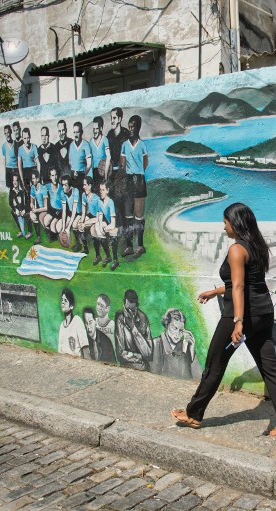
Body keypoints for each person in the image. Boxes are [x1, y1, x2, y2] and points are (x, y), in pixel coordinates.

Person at [171, 203, 276, 440]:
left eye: (225, 222)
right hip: (263, 313)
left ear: (235, 222)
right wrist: (216, 291)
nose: (223, 227)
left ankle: (193, 414)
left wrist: (238, 322)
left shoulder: (236, 249)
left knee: (215, 363)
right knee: (270, 368)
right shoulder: (257, 246)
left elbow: (240, 287)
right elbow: (243, 283)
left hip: (240, 316)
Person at [119, 115, 148, 259]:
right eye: (129, 126)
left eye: (133, 126)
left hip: (139, 181)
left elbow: (145, 162)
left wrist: (138, 173)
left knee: (139, 215)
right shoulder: (124, 144)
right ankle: (129, 245)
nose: (130, 129)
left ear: (138, 128)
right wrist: (128, 174)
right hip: (129, 181)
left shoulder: (142, 145)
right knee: (128, 215)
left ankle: (140, 245)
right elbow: (123, 161)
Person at [151, 308, 201, 380]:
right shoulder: (156, 344)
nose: (177, 334)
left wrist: (191, 350)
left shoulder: (185, 346)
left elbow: (198, 378)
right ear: (167, 325)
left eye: (181, 330)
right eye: (174, 328)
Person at [114, 289, 153, 371]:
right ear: (124, 303)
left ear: (136, 306)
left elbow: (149, 354)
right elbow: (120, 354)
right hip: (127, 369)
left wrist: (133, 328)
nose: (130, 314)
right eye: (127, 310)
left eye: (133, 310)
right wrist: (139, 357)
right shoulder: (120, 318)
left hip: (144, 369)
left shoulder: (143, 317)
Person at [58, 288, 89, 358]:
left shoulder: (77, 321)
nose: (62, 302)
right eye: (62, 300)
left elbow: (85, 347)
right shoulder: (61, 326)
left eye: (65, 300)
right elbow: (60, 351)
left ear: (71, 306)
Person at [89, 116, 111, 192]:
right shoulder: (91, 141)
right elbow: (90, 160)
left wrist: (105, 174)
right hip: (94, 172)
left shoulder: (105, 140)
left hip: (103, 171)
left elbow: (108, 157)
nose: (94, 131)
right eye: (93, 129)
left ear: (101, 128)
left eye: (97, 128)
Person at [8, 173, 30, 239]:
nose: (14, 182)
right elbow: (10, 202)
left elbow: (27, 202)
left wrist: (24, 210)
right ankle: (21, 230)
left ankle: (30, 231)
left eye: (16, 180)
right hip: (18, 209)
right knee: (13, 212)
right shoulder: (12, 190)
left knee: (27, 214)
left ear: (19, 181)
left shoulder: (23, 191)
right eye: (13, 180)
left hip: (24, 208)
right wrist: (15, 209)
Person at [2, 125, 18, 189]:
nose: (7, 135)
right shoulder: (4, 146)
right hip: (8, 169)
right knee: (10, 189)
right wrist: (5, 171)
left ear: (11, 132)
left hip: (16, 169)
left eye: (8, 132)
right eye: (5, 133)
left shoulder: (16, 144)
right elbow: (4, 159)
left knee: (17, 188)